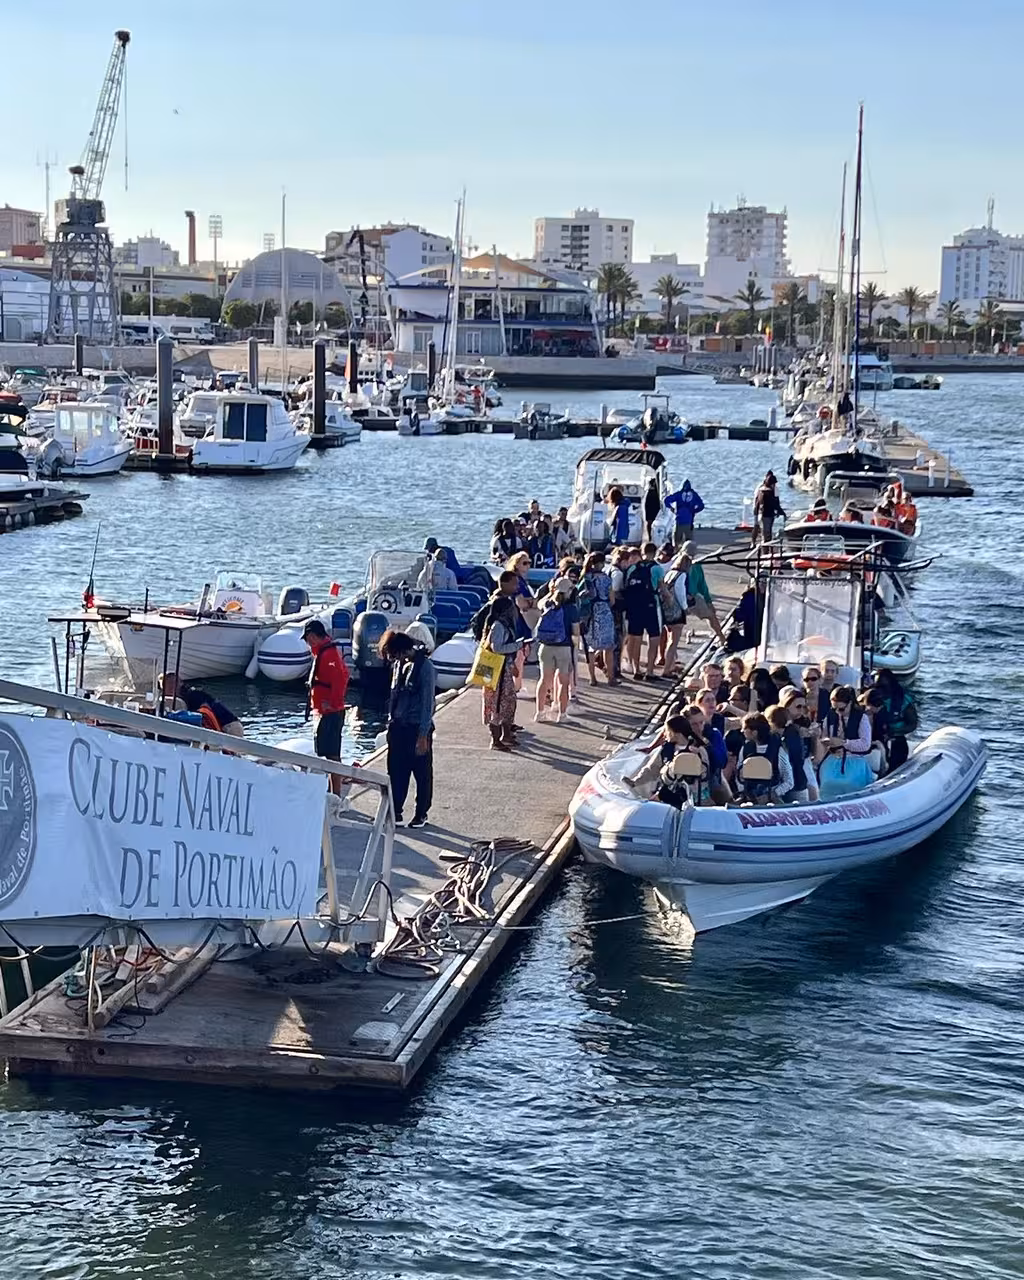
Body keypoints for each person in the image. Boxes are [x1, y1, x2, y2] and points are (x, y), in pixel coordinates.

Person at [379, 628, 436, 826]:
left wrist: (423, 735)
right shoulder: (398, 666)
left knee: (422, 774)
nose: (394, 659)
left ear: (403, 650)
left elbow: (428, 704)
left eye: (395, 655)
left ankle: (421, 813)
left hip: (416, 728)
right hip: (398, 728)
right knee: (396, 772)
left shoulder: (425, 668)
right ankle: (396, 812)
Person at [301, 619, 351, 796]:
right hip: (324, 711)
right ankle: (332, 790)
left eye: (307, 639)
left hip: (331, 712)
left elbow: (340, 678)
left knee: (332, 755)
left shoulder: (329, 655)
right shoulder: (323, 652)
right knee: (328, 753)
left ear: (313, 636)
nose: (307, 643)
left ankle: (336, 793)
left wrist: (333, 702)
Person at [479, 591, 522, 751]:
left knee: (508, 703)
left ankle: (506, 735)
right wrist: (517, 645)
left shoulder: (502, 625)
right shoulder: (498, 626)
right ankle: (496, 740)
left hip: (503, 669)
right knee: (496, 705)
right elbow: (497, 648)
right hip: (497, 672)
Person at [817, 684, 874, 800]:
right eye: (834, 709)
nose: (838, 712)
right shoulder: (830, 717)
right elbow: (824, 736)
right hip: (833, 759)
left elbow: (865, 744)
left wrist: (844, 743)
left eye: (841, 709)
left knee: (850, 783)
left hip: (854, 760)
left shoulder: (861, 718)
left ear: (850, 704)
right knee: (827, 783)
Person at [534, 576, 579, 721]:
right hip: (563, 647)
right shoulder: (571, 608)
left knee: (544, 680)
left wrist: (552, 591)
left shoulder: (547, 604)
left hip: (545, 646)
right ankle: (562, 714)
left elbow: (539, 603)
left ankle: (540, 713)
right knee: (563, 682)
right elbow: (576, 631)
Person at [622, 541, 664, 681]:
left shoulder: (632, 568)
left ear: (642, 552)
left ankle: (636, 669)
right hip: (651, 605)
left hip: (635, 607)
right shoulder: (657, 568)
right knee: (653, 639)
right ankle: (650, 671)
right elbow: (661, 588)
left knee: (636, 638)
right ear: (655, 552)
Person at [159, 673, 245, 738]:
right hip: (225, 726)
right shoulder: (185, 697)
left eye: (172, 683)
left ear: (180, 683)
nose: (170, 687)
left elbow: (205, 713)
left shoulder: (193, 695)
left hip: (229, 727)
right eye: (167, 685)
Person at [676, 541, 726, 643]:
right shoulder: (692, 564)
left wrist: (708, 601)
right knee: (711, 616)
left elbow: (701, 584)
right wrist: (708, 601)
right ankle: (722, 638)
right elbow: (702, 585)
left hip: (684, 597)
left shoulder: (682, 563)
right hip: (688, 597)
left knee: (710, 615)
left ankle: (721, 638)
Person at [579, 552, 617, 686]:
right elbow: (612, 600)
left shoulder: (586, 577)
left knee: (590, 647)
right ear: (602, 564)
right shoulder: (607, 579)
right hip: (604, 611)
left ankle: (592, 678)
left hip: (589, 614)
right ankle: (611, 677)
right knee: (608, 647)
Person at [738, 712, 793, 803]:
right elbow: (739, 775)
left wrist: (771, 795)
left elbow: (789, 781)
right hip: (749, 798)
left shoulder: (778, 751)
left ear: (754, 732)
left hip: (772, 799)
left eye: (745, 729)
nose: (742, 731)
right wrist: (745, 793)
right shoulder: (745, 749)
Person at [871, 668, 917, 769]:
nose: (879, 690)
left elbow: (913, 724)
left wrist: (893, 732)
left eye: (882, 687)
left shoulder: (904, 701)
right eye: (877, 686)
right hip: (874, 742)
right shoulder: (870, 697)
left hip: (895, 741)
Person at [772, 694, 813, 803]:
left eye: (804, 707)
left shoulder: (793, 732)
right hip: (784, 783)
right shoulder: (791, 731)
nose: (802, 711)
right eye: (798, 707)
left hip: (796, 783)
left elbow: (795, 759)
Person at [664, 479, 704, 546]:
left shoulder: (679, 494)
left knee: (677, 540)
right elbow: (701, 506)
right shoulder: (694, 495)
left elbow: (666, 500)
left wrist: (671, 508)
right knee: (689, 541)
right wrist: (694, 511)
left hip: (679, 520)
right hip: (689, 521)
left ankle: (676, 552)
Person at [752, 471, 785, 544]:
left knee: (767, 530)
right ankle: (753, 542)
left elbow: (776, 500)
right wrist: (780, 511)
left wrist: (777, 511)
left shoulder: (773, 488)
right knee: (758, 526)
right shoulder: (761, 488)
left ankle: (764, 545)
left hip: (765, 511)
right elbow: (757, 499)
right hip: (761, 510)